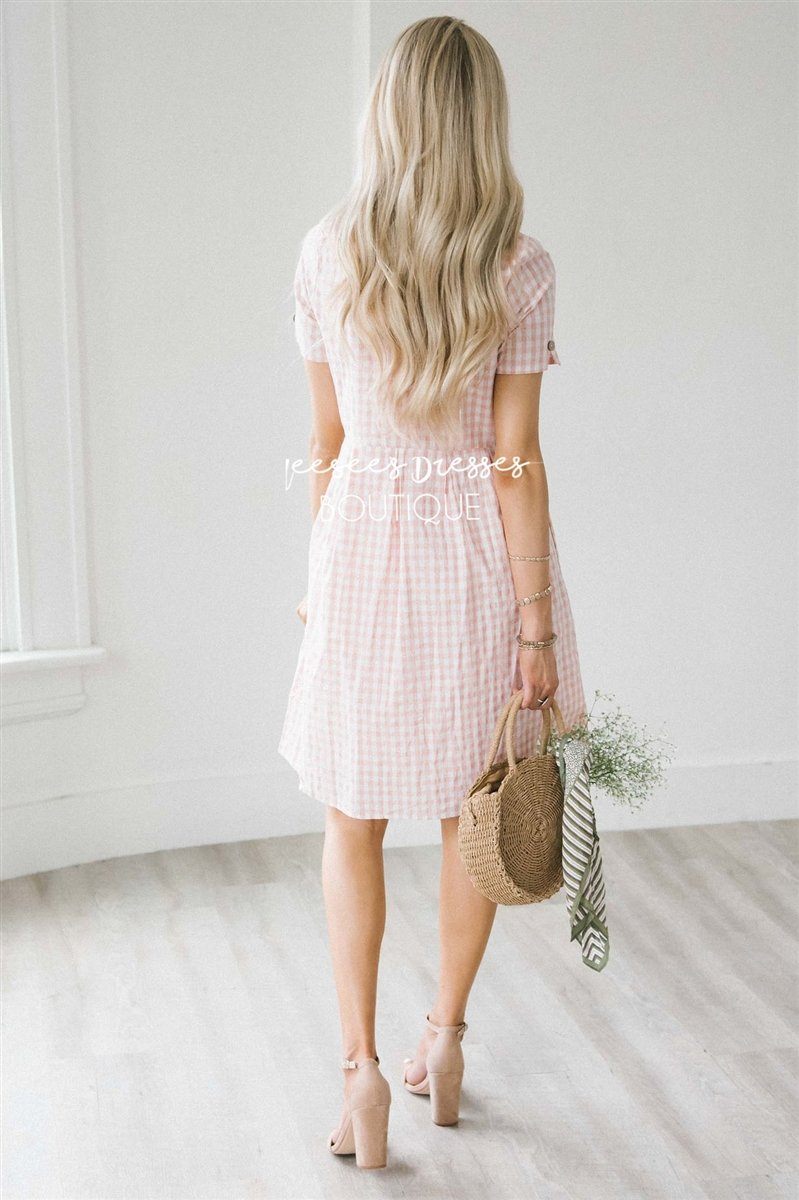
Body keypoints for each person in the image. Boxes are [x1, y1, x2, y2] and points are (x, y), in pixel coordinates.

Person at [278, 14, 586, 1170]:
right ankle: (444, 1043)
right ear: (480, 122)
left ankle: (359, 1075)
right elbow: (514, 458)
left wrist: (318, 578)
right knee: (474, 812)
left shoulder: (327, 252)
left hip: (361, 541)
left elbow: (325, 442)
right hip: (473, 556)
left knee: (348, 821)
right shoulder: (518, 263)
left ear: (388, 117)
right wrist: (535, 625)